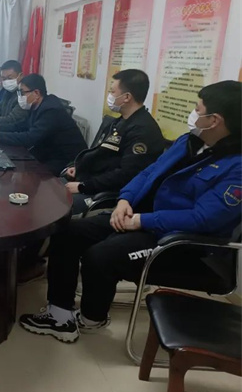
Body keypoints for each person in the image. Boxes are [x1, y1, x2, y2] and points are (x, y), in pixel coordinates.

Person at [19, 80, 242, 343]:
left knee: (100, 256)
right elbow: (148, 173)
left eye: (198, 108)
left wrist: (140, 220)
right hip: (143, 219)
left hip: (182, 243)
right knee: (67, 232)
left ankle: (92, 317)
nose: (193, 114)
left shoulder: (236, 166)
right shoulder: (189, 142)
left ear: (214, 120)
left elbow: (202, 218)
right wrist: (125, 200)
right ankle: (59, 315)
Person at [62, 69, 165, 215]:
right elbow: (102, 154)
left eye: (112, 92)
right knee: (50, 189)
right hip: (89, 180)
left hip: (105, 194)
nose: (109, 96)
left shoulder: (143, 131)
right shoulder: (121, 121)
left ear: (127, 97)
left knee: (56, 202)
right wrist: (79, 167)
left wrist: (83, 186)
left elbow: (125, 175)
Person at [0, 74, 87, 176]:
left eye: (22, 93)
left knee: (27, 173)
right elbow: (21, 125)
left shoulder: (51, 110)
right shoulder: (37, 105)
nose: (20, 97)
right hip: (48, 154)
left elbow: (30, 138)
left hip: (68, 162)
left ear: (36, 93)